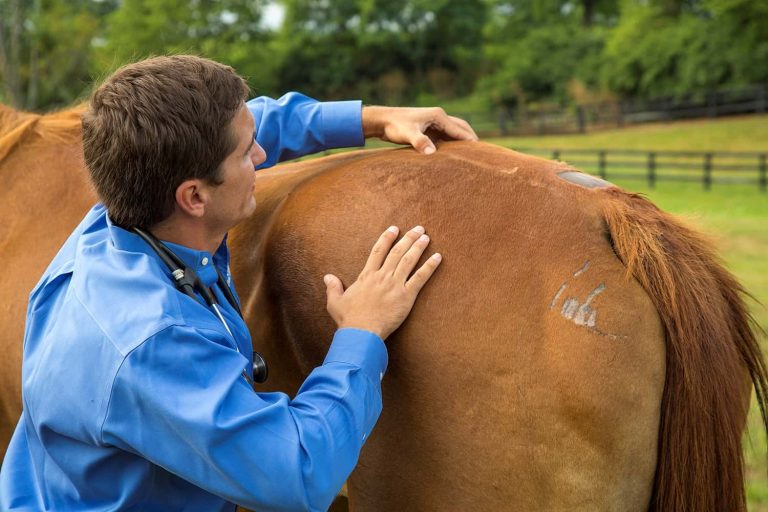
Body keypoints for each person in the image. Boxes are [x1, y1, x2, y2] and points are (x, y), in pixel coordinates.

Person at [0, 55, 477, 511]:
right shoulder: (150, 342)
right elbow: (298, 472)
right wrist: (361, 335)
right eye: (247, 153)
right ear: (194, 196)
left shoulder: (123, 210)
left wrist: (368, 120)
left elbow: (248, 125)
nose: (263, 154)